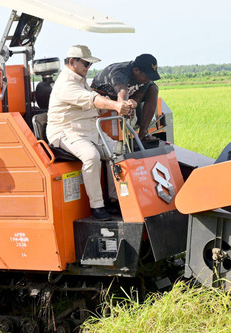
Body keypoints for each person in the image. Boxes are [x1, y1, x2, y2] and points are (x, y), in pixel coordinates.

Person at [46, 45, 135, 221]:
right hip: (66, 131)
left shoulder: (80, 80)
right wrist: (117, 106)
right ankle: (97, 206)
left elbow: (97, 97)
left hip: (88, 130)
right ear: (72, 62)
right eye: (86, 64)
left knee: (119, 151)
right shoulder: (66, 84)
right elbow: (92, 99)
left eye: (89, 65)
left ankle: (114, 199)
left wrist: (124, 103)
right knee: (91, 156)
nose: (88, 68)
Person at [91, 54, 161, 141]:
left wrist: (133, 104)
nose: (149, 79)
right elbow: (121, 92)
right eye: (147, 76)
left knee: (153, 89)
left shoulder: (145, 79)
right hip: (104, 94)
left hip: (126, 94)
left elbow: (138, 96)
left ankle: (143, 134)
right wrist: (125, 106)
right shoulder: (120, 72)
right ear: (136, 70)